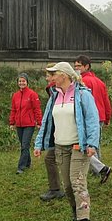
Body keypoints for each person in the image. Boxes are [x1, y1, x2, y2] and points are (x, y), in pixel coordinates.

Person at [34, 62, 99, 221]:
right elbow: (47, 121)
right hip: (60, 147)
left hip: (78, 146)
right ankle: (75, 211)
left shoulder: (82, 95)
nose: (51, 78)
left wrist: (92, 143)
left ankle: (83, 220)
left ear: (63, 75)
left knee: (78, 183)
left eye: (53, 74)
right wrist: (39, 144)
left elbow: (92, 120)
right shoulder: (54, 96)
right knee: (68, 185)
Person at [74, 55, 112, 183]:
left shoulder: (81, 82)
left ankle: (99, 169)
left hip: (88, 117)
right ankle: (99, 169)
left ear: (86, 66)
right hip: (100, 116)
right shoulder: (100, 82)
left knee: (88, 144)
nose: (76, 68)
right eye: (75, 66)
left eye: (79, 66)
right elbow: (106, 101)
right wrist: (107, 117)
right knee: (95, 143)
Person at [39, 65, 65, 201]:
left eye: (49, 75)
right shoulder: (54, 91)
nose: (47, 78)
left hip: (62, 133)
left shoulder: (58, 90)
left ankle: (57, 189)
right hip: (57, 132)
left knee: (52, 159)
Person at [9, 73, 42, 174]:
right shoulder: (15, 95)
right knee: (24, 145)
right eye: (20, 81)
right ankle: (27, 163)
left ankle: (21, 167)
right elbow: (13, 110)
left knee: (24, 145)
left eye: (23, 81)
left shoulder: (32, 94)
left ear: (27, 82)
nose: (21, 83)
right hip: (19, 124)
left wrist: (39, 121)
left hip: (29, 124)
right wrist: (12, 122)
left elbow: (37, 109)